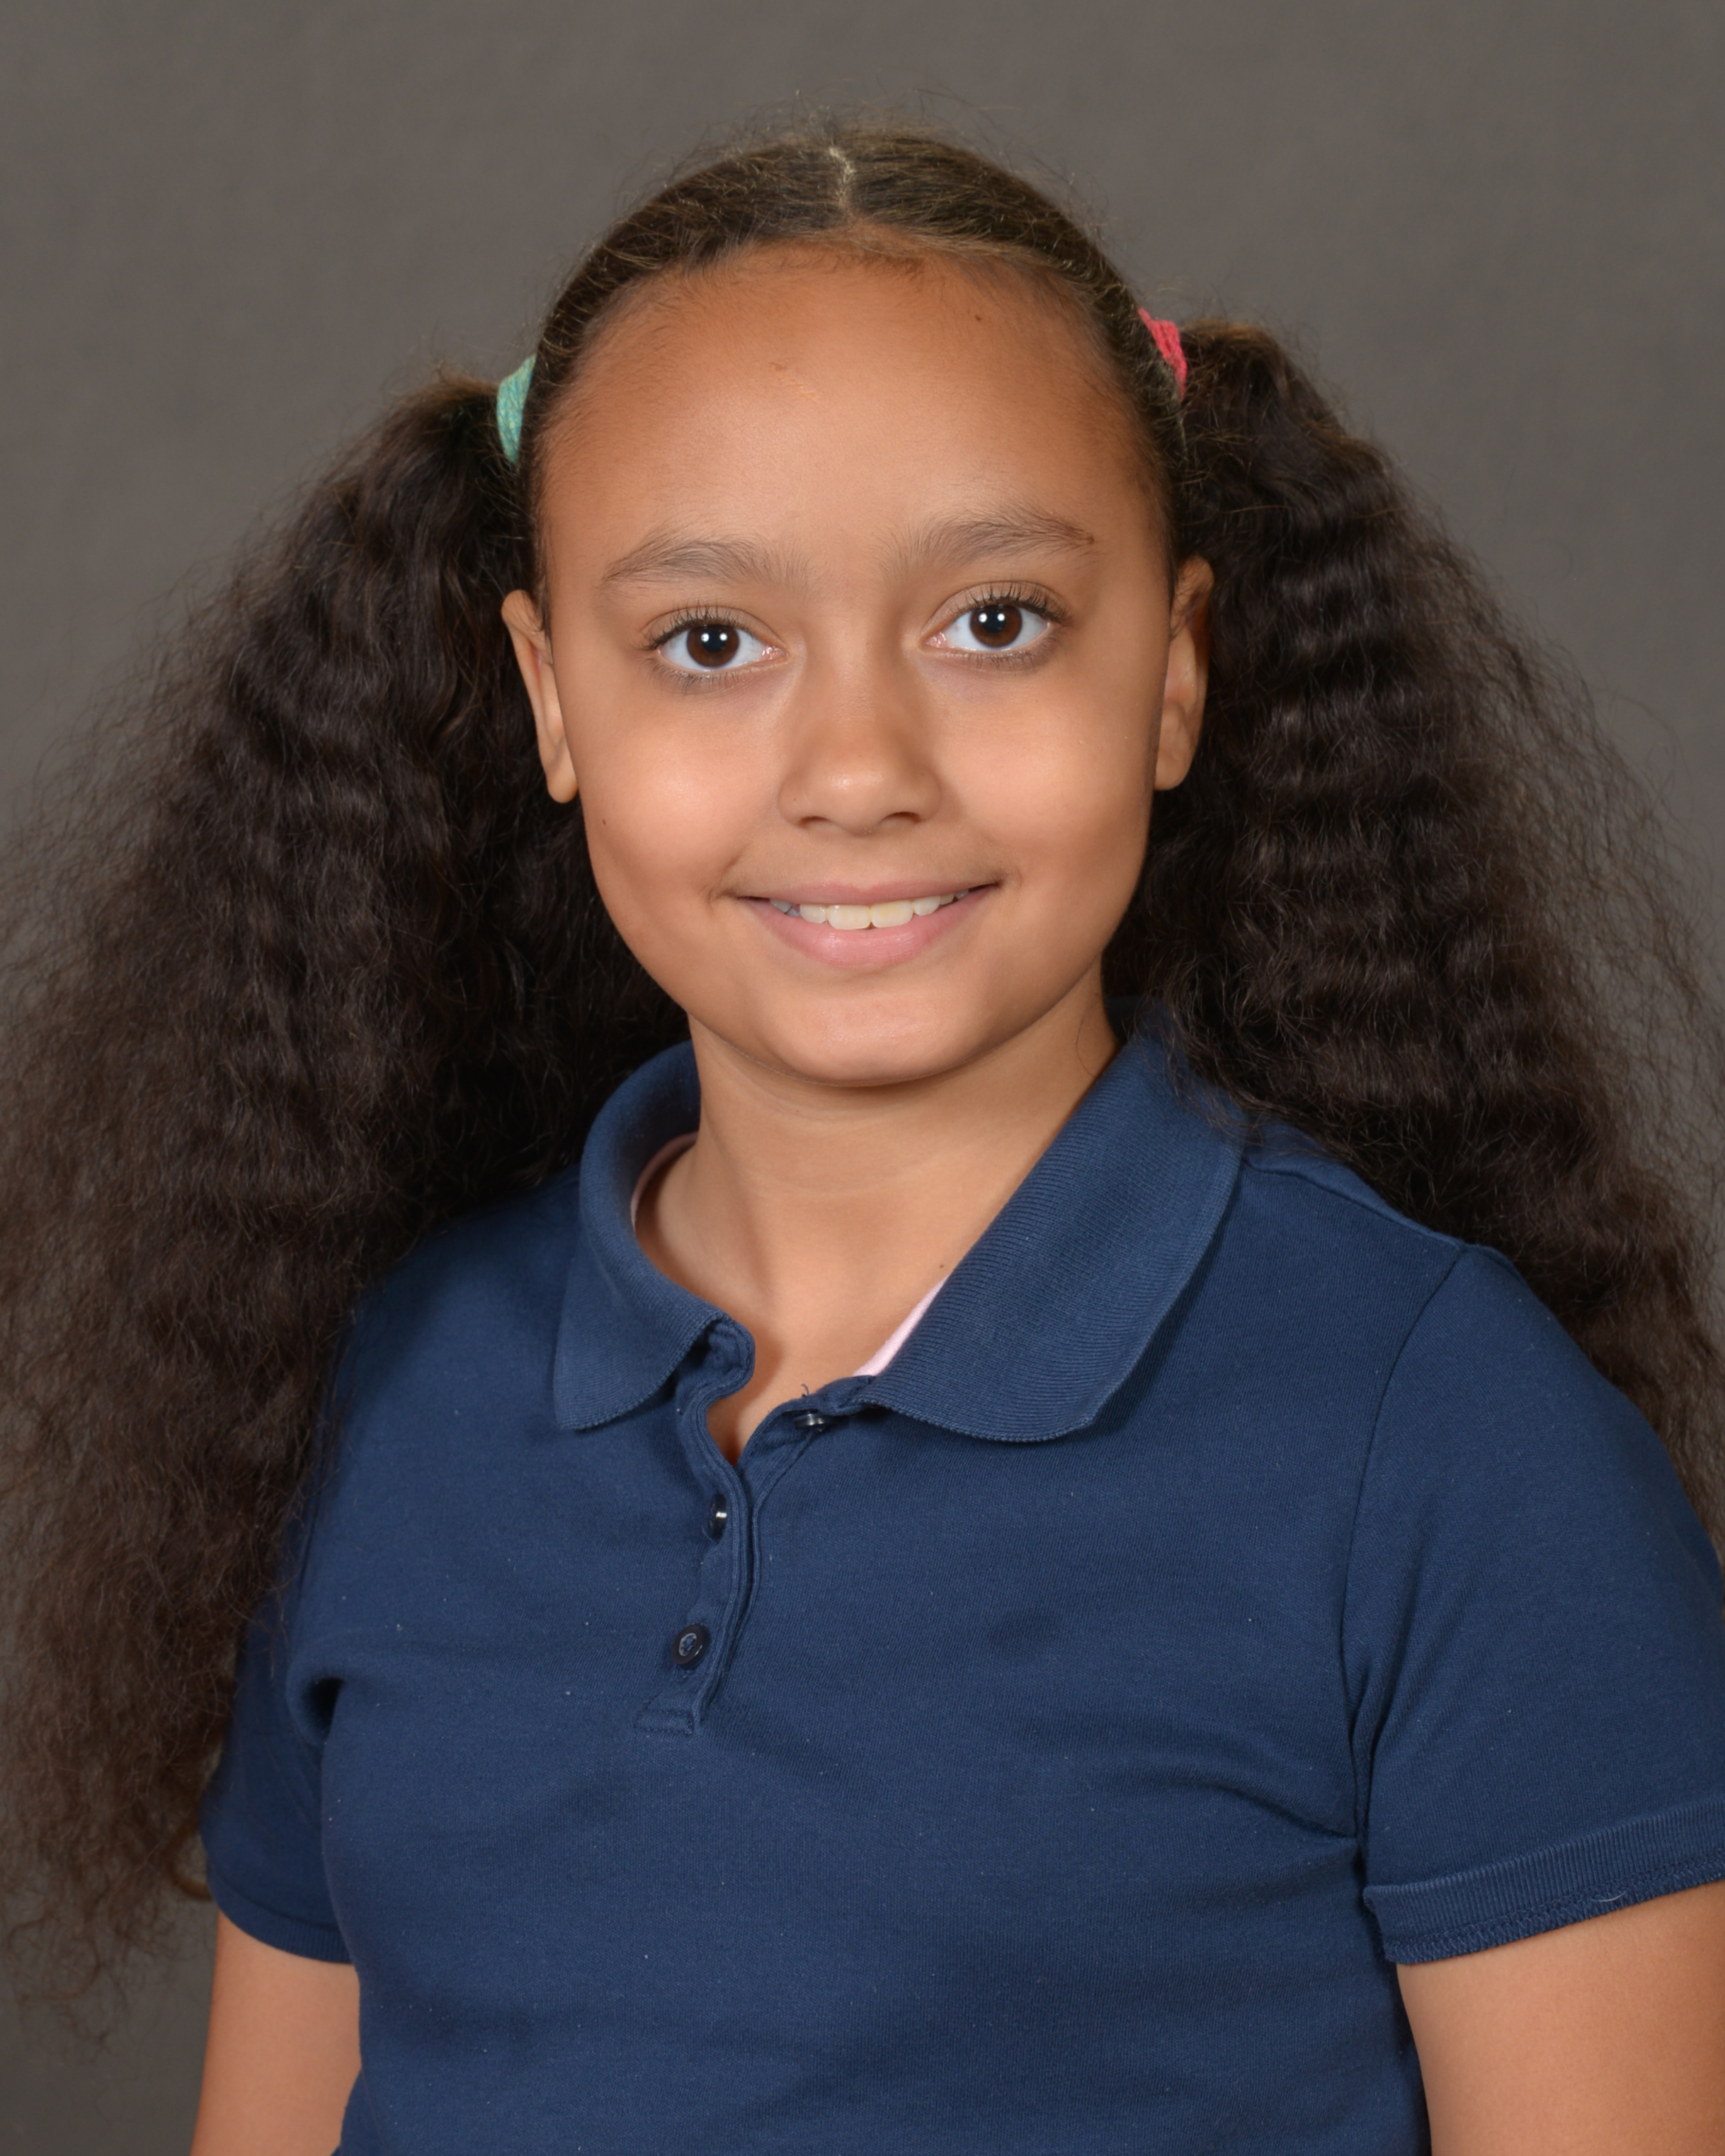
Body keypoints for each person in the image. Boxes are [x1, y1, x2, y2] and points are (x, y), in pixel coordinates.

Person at [2, 119, 1724, 2156]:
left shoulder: (1446, 1445)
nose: (855, 771)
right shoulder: (392, 1382)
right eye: (709, 643)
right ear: (548, 699)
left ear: (1176, 670)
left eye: (994, 622)